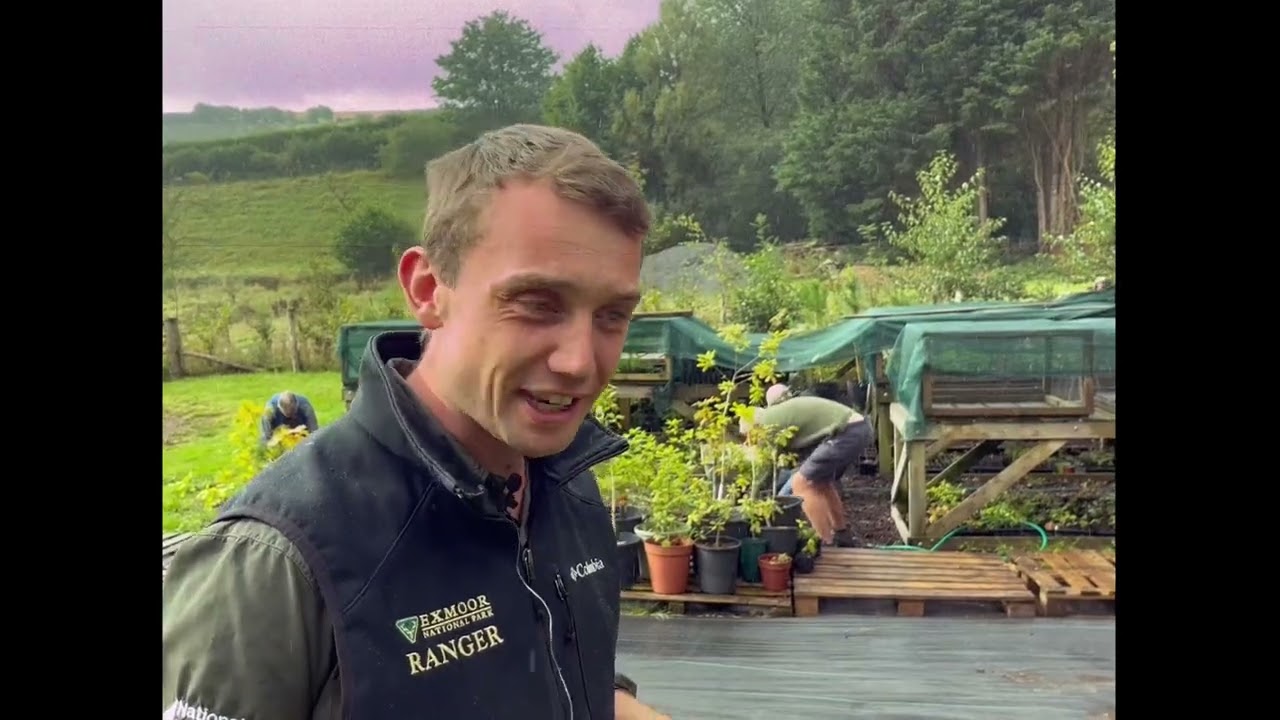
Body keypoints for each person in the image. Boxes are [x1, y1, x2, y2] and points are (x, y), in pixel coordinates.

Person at [162, 125, 672, 720]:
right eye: (536, 304)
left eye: (612, 315)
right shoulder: (277, 563)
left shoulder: (569, 487)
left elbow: (564, 677)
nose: (581, 362)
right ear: (428, 289)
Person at [741, 385, 870, 547]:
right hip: (858, 427)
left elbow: (766, 469)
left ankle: (825, 543)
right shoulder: (777, 416)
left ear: (753, 427)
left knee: (801, 483)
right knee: (821, 482)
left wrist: (750, 497)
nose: (750, 441)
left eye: (748, 436)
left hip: (845, 432)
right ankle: (842, 535)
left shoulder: (767, 424)